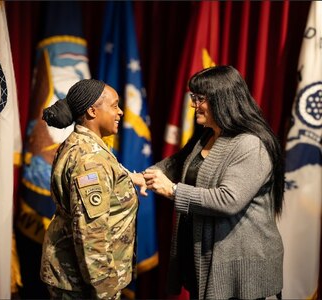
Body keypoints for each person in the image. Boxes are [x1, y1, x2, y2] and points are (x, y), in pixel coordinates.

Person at [143, 65, 285, 299]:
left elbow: (228, 200)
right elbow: (176, 164)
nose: (193, 105)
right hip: (202, 260)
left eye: (200, 98)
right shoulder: (208, 134)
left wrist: (173, 191)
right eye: (193, 97)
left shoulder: (250, 144)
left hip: (240, 272)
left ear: (223, 99)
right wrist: (142, 175)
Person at [40, 79, 141, 299]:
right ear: (92, 111)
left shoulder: (83, 145)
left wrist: (129, 179)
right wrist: (105, 291)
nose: (121, 112)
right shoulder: (91, 159)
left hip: (78, 279)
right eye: (114, 106)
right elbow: (91, 235)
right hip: (84, 285)